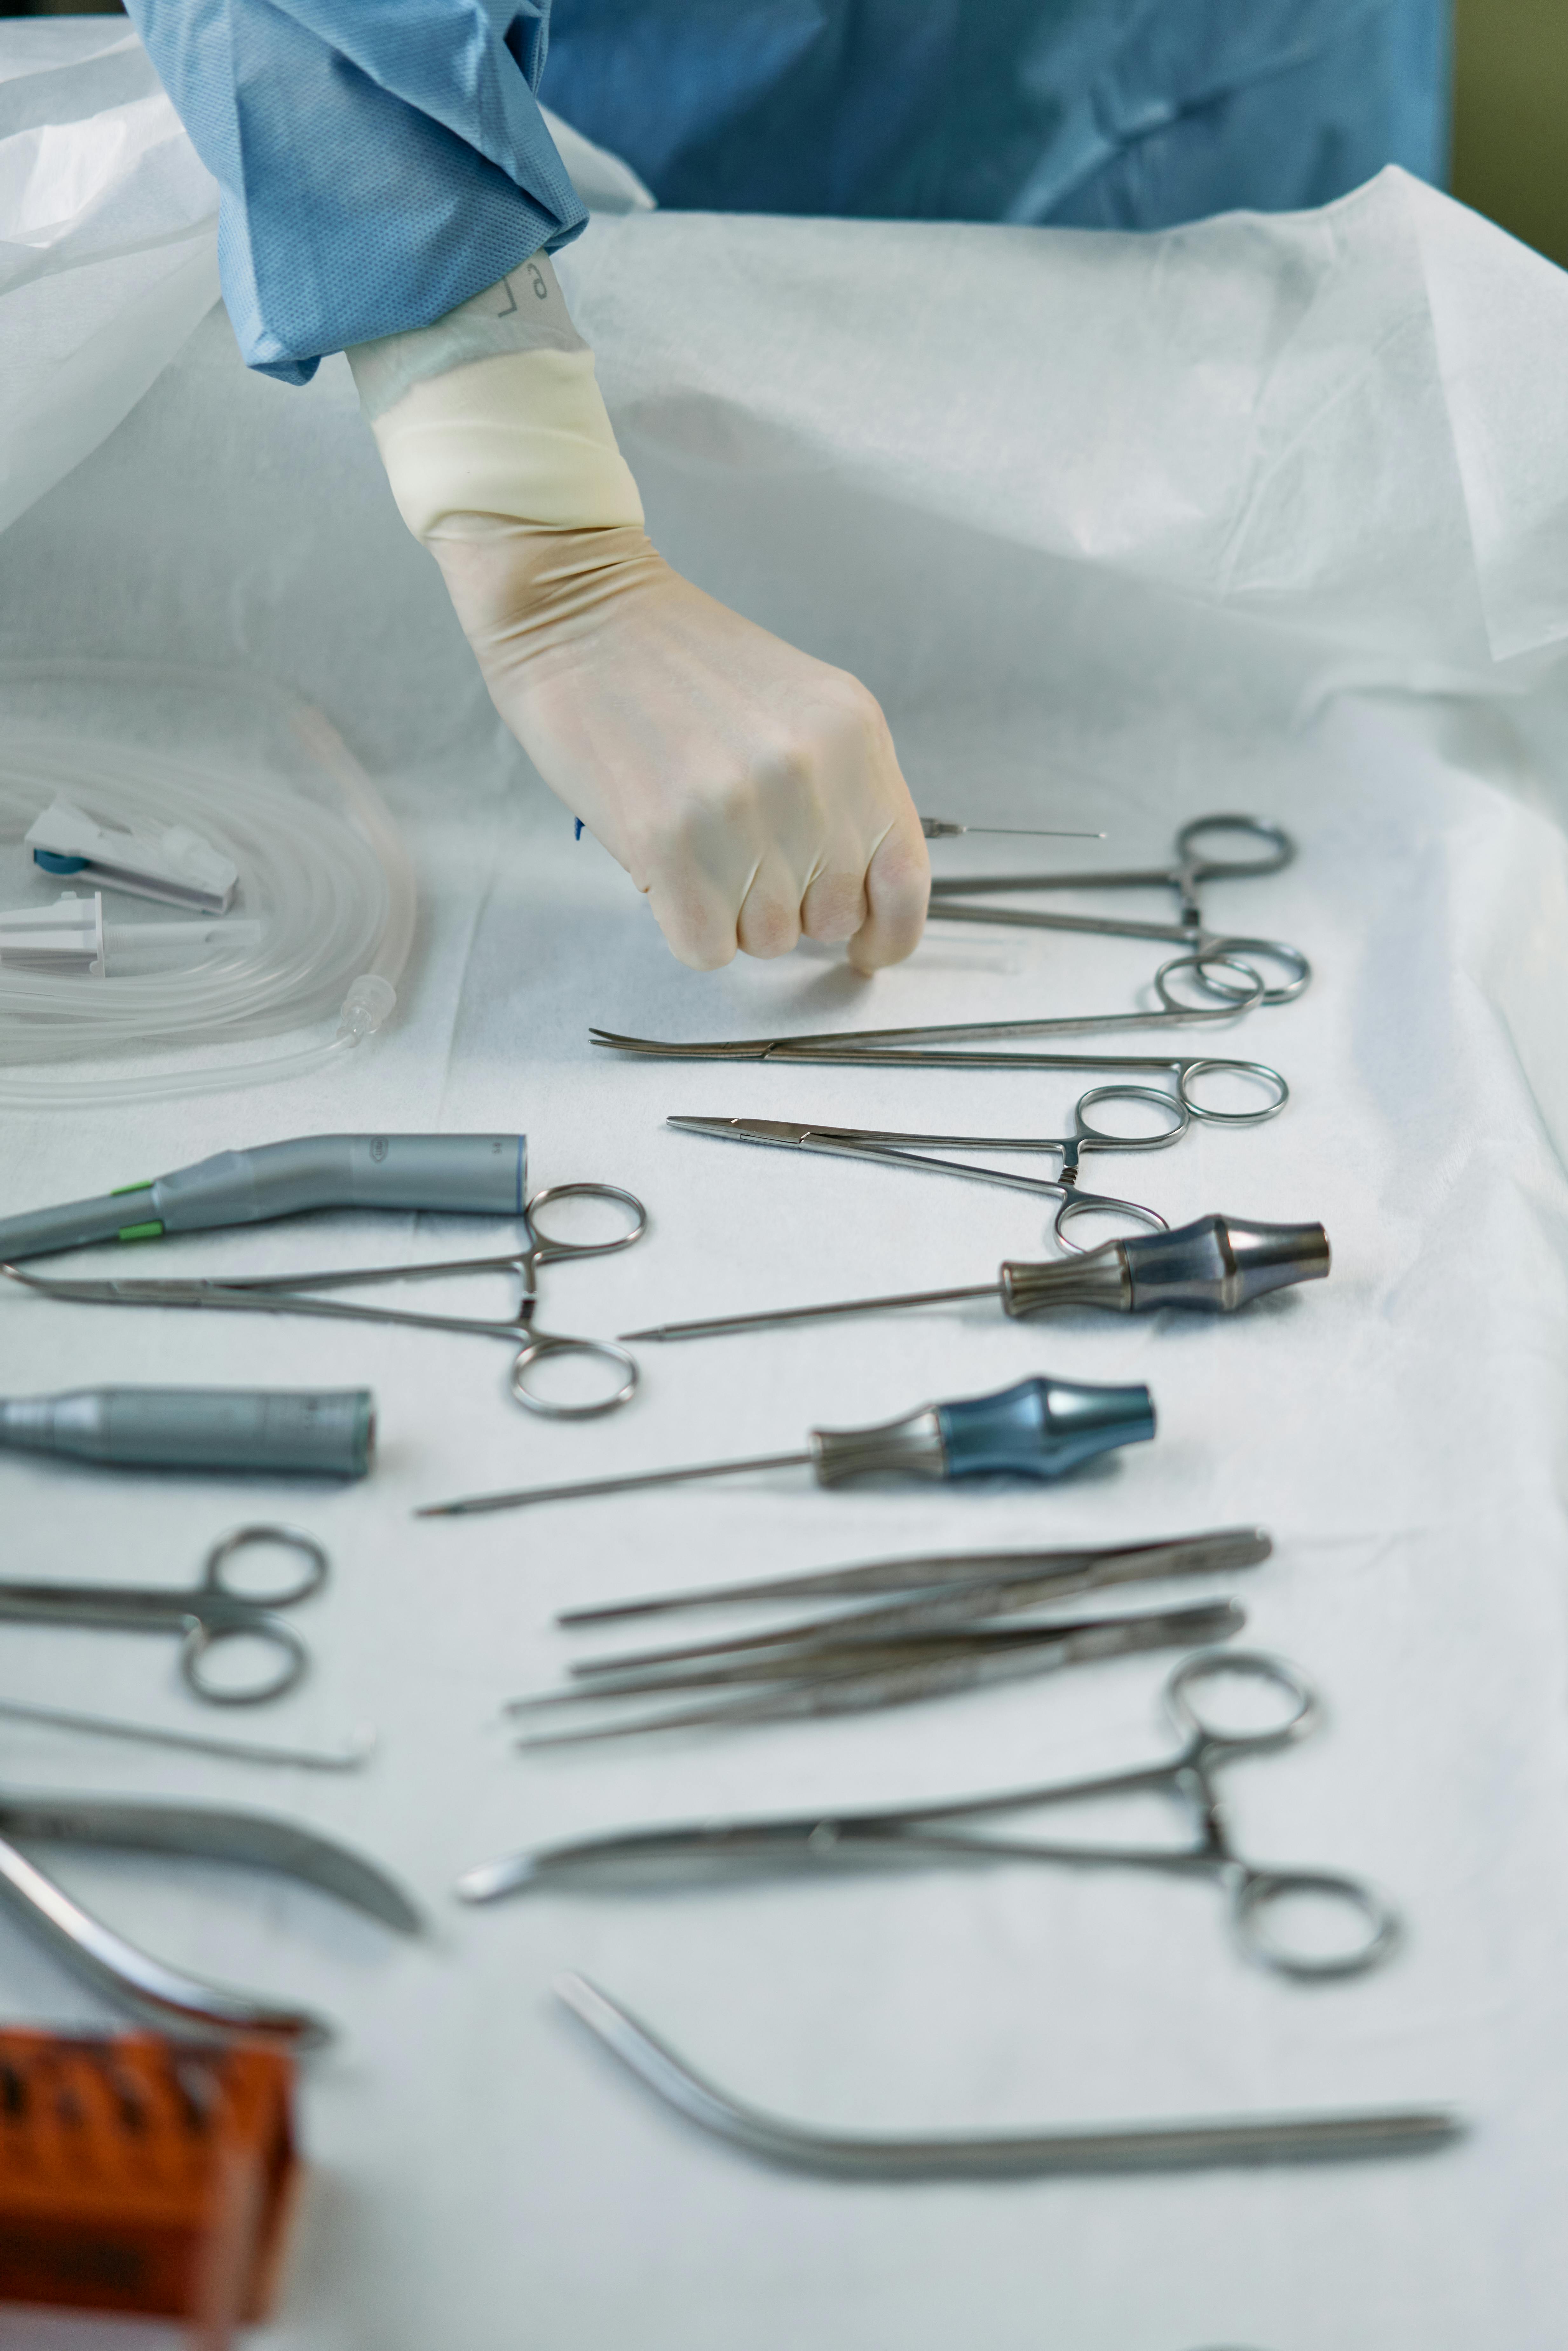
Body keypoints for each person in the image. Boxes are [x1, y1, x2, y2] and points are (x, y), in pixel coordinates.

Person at [122, 1, 1448, 976]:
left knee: (1335, 772)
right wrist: (538, 529)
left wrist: (556, 570)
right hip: (607, 117)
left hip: (1197, 88)